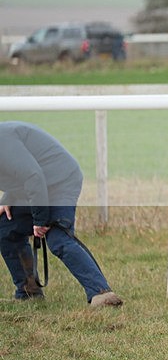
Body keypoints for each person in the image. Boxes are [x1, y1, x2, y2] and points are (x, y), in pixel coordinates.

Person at [0, 121, 122, 307]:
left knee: (58, 239)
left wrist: (40, 220)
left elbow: (32, 174)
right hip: (36, 185)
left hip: (61, 182)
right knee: (5, 228)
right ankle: (28, 291)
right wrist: (8, 197)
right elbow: (19, 172)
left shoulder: (4, 140)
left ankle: (102, 294)